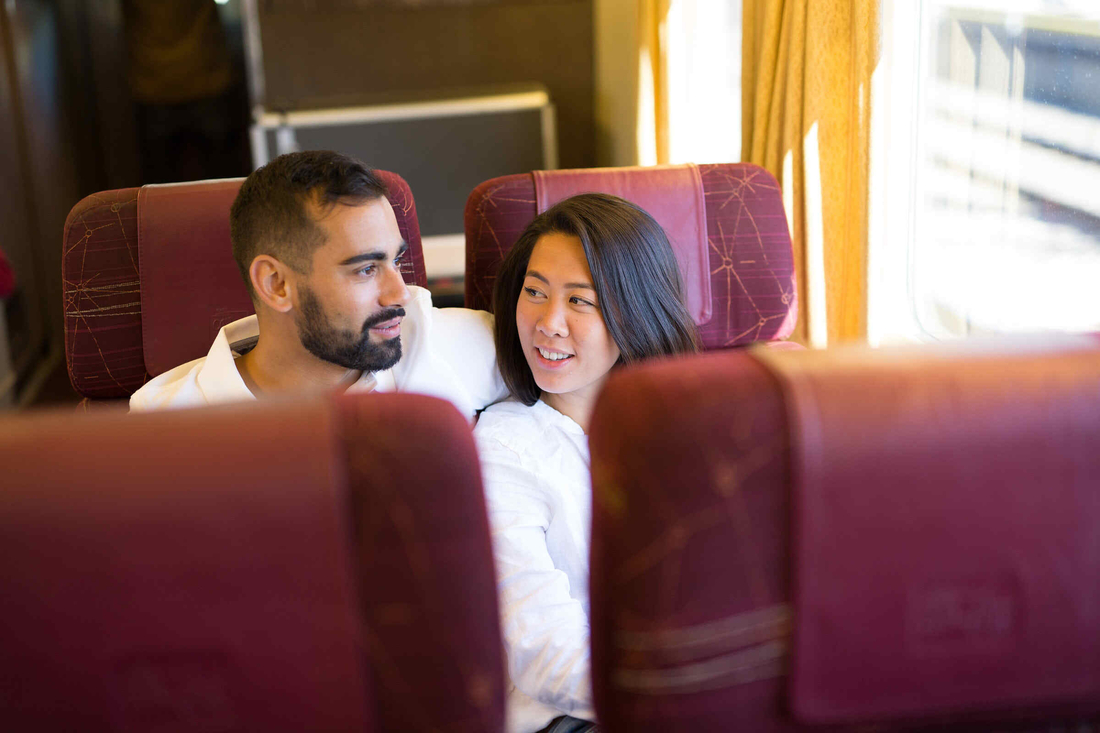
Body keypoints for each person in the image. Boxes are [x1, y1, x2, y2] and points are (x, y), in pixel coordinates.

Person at [474, 193, 701, 733]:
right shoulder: (503, 448)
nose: (548, 323)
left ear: (636, 311)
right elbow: (543, 648)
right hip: (584, 712)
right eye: (534, 292)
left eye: (580, 301)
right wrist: (691, 695)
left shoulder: (694, 425)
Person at [131, 150, 504, 417]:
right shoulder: (167, 426)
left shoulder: (445, 341)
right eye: (366, 269)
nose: (401, 293)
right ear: (276, 284)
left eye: (396, 261)